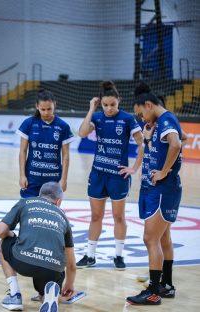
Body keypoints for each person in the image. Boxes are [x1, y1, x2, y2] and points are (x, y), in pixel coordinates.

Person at [76, 81, 144, 270]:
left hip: (118, 176)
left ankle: (119, 255)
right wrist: (91, 108)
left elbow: (142, 145)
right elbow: (81, 133)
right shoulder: (97, 117)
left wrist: (134, 168)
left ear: (119, 101)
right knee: (96, 216)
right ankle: (90, 256)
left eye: (112, 104)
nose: (109, 108)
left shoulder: (128, 119)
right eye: (105, 105)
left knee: (118, 217)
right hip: (98, 174)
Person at [127, 83, 183, 305]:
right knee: (163, 238)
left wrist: (165, 170)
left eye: (142, 113)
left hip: (162, 188)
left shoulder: (167, 120)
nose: (142, 119)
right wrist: (150, 137)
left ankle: (153, 292)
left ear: (148, 105)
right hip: (162, 188)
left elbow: (177, 144)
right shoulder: (160, 122)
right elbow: (183, 137)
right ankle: (166, 285)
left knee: (150, 238)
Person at [0, 182, 76, 312]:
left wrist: (11, 234)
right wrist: (69, 285)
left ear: (40, 195)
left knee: (4, 242)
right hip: (52, 268)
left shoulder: (26, 202)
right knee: (51, 274)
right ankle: (48, 296)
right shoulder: (63, 217)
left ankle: (15, 295)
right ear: (59, 201)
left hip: (24, 261)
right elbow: (71, 263)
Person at [17, 90, 75, 198]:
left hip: (54, 179)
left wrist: (64, 179)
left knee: (50, 213)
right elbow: (23, 151)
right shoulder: (28, 123)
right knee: (30, 212)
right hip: (32, 178)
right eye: (42, 109)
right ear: (37, 106)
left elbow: (66, 155)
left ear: (55, 105)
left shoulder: (63, 126)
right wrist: (22, 175)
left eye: (49, 109)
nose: (46, 112)